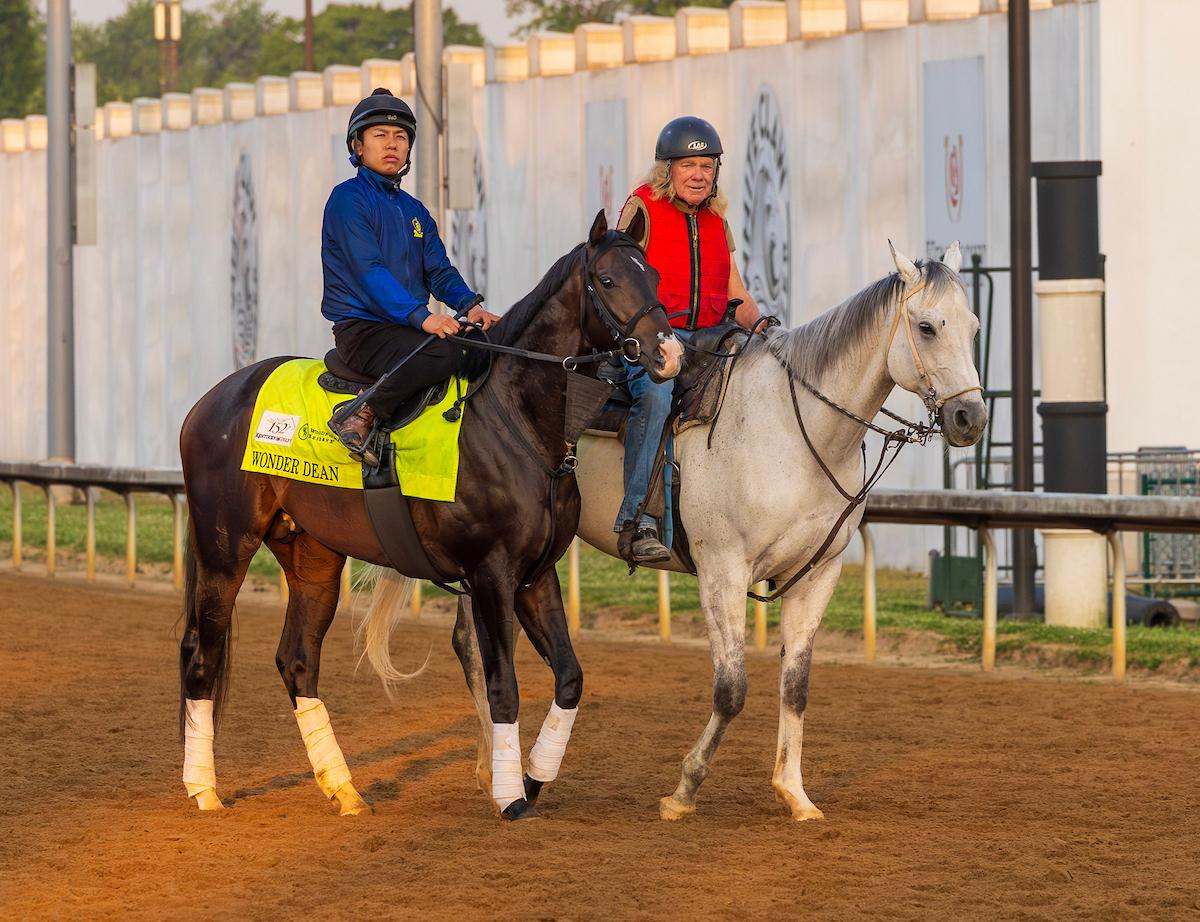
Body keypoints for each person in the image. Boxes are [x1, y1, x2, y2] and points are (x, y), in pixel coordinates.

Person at [614, 116, 764, 563]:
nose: (699, 175)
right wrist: (652, 337)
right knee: (656, 399)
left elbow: (736, 290)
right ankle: (635, 520)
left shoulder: (718, 219)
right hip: (651, 337)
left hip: (711, 339)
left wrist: (769, 333)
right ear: (667, 170)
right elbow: (619, 281)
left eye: (707, 165)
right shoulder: (641, 209)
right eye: (688, 165)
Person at [322, 87, 499, 459]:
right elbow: (370, 273)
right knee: (443, 354)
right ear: (357, 146)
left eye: (401, 136)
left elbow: (439, 271)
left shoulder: (415, 210)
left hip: (406, 327)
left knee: (485, 346)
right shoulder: (347, 199)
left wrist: (470, 307)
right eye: (380, 135)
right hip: (363, 330)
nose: (392, 144)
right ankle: (359, 412)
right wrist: (424, 319)